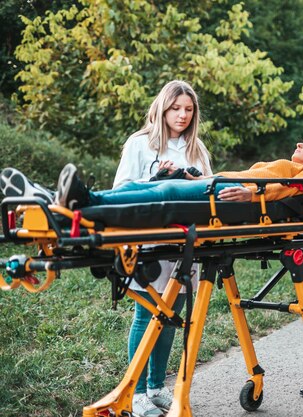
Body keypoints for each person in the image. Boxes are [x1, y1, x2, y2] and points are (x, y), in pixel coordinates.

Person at [117, 80, 212, 417]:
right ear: (163, 108)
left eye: (188, 109)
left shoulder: (197, 149)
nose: (183, 115)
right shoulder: (140, 144)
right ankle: (136, 392)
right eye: (176, 108)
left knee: (172, 317)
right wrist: (157, 180)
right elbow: (122, 190)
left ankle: (156, 387)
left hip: (186, 244)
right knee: (146, 314)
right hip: (149, 243)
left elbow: (208, 191)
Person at [54, 137, 303, 210]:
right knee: (150, 186)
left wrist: (251, 194)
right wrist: (193, 178)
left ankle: (87, 201)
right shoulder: (276, 163)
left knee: (166, 192)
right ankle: (85, 197)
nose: (300, 144)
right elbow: (231, 173)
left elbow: (292, 187)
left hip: (231, 192)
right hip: (220, 183)